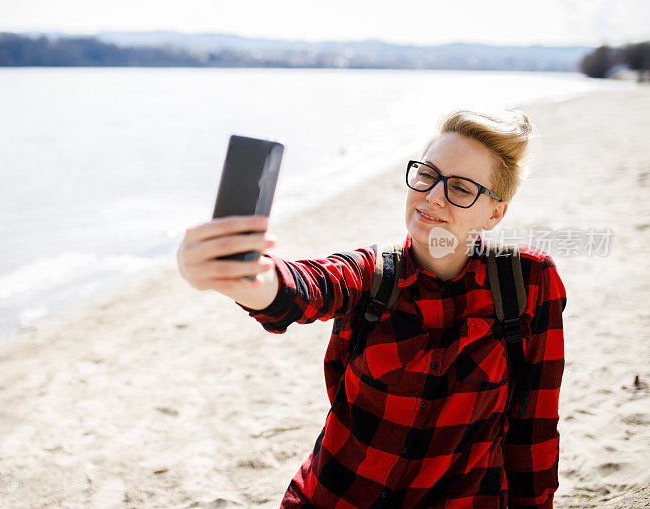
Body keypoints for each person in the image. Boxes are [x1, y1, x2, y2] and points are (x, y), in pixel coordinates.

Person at [177, 110, 566, 508]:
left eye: (461, 189)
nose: (432, 196)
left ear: (495, 213)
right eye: (427, 174)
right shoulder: (374, 275)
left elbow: (533, 431)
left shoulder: (528, 283)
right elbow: (310, 287)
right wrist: (249, 279)